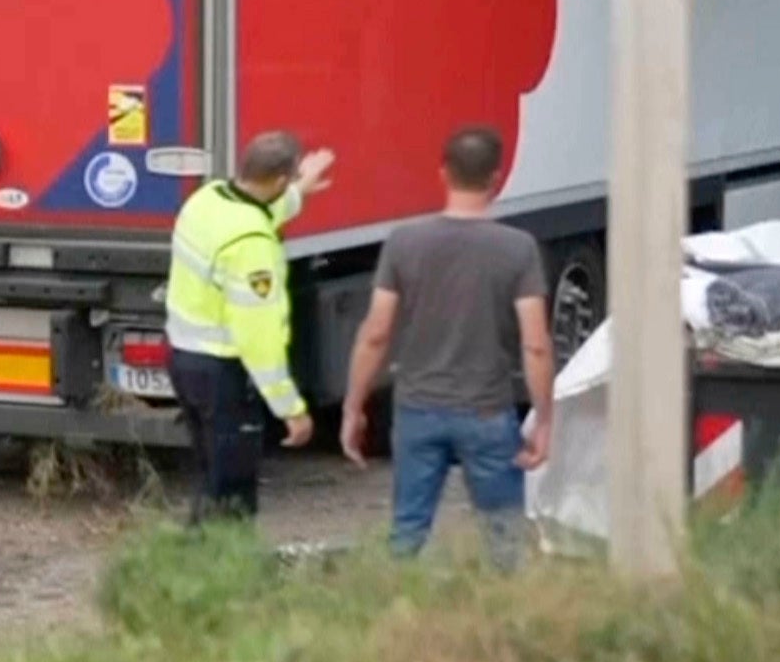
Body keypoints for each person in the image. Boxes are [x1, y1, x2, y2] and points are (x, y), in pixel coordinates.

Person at [341, 127, 554, 571]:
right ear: (495, 179)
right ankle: (504, 626)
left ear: (443, 174)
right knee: (504, 542)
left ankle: (396, 621)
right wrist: (544, 419)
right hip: (487, 412)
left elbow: (376, 333)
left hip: (417, 409)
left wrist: (353, 407)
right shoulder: (518, 249)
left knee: (407, 535)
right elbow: (535, 344)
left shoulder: (404, 242)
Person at [165, 131, 336, 521]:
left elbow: (260, 210)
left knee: (211, 481)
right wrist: (290, 408)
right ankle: (223, 575)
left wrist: (300, 190)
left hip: (185, 361)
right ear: (278, 181)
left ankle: (190, 570)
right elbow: (259, 340)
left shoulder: (206, 201)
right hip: (223, 374)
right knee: (233, 496)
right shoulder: (251, 244)